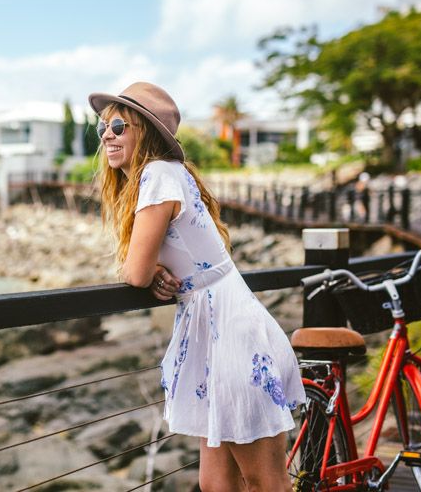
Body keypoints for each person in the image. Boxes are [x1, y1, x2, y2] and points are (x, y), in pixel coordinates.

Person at [88, 82, 304, 492]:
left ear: (145, 131)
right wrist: (151, 271)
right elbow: (146, 266)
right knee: (216, 483)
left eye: (118, 126)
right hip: (212, 328)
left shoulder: (157, 174)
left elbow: (134, 272)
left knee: (267, 483)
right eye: (102, 129)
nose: (108, 136)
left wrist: (147, 273)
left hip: (232, 333)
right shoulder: (165, 175)